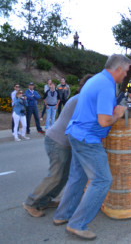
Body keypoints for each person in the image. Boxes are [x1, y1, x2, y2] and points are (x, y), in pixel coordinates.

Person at [53, 54, 130, 240]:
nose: (126, 75)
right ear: (118, 69)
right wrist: (119, 114)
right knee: (102, 180)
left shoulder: (98, 79)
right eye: (126, 71)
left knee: (78, 177)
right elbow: (104, 121)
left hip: (76, 133)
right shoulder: (106, 86)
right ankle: (77, 224)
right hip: (88, 138)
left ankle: (62, 215)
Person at [23, 74, 93, 218]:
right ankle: (30, 203)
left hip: (62, 142)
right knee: (55, 176)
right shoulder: (80, 101)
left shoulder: (80, 99)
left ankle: (45, 200)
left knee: (63, 175)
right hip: (57, 142)